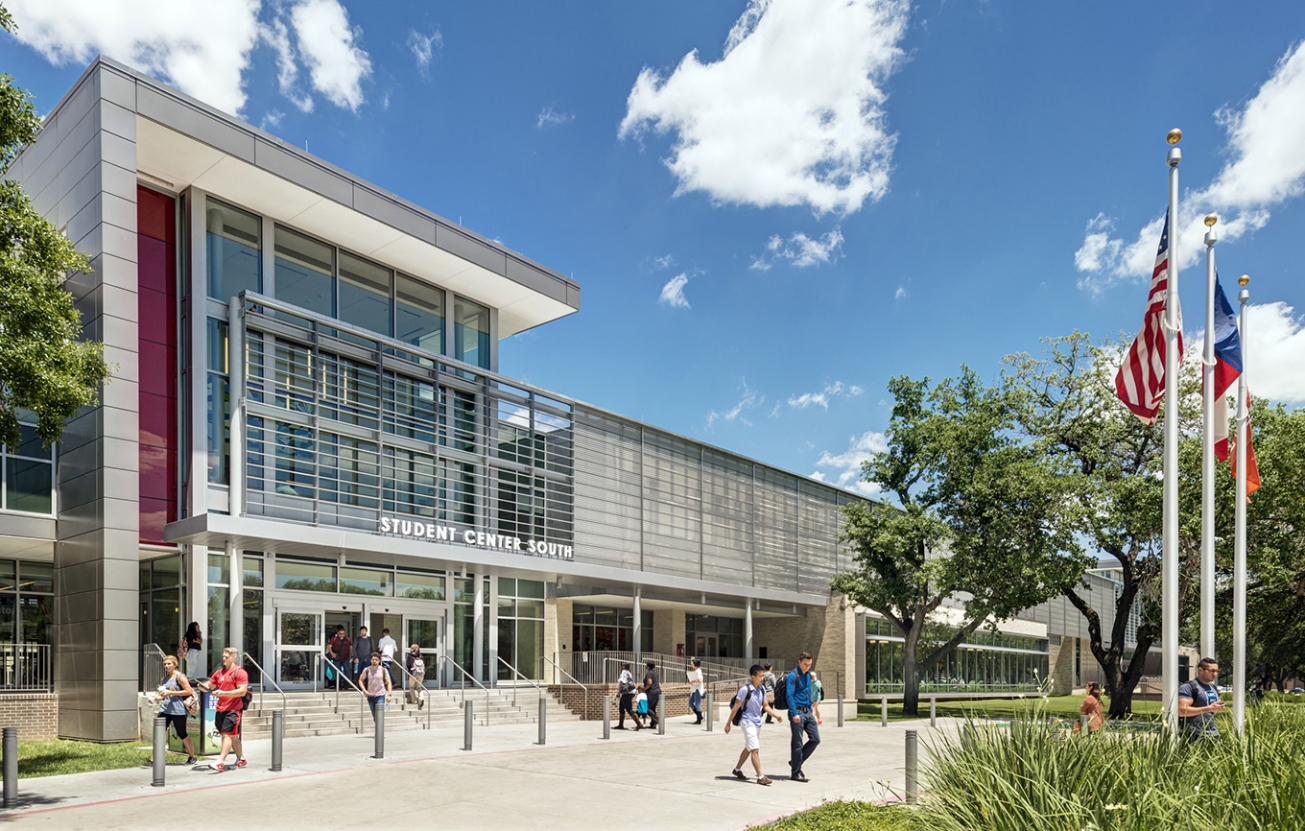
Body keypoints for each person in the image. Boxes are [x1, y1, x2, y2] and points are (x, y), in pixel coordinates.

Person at [724, 663, 784, 786]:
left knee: (749, 747)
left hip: (757, 722)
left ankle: (737, 770)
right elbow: (735, 709)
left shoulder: (762, 689)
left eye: (763, 676)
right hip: (746, 721)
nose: (762, 678)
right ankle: (761, 777)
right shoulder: (744, 690)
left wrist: (776, 715)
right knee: (755, 749)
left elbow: (766, 706)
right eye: (760, 676)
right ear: (753, 676)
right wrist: (728, 723)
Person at [204, 646, 248, 772]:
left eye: (226, 657)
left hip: (234, 709)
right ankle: (241, 759)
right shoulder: (219, 672)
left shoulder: (239, 672)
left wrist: (222, 693)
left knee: (228, 735)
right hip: (220, 709)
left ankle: (220, 761)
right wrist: (202, 687)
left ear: (234, 658)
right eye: (223, 656)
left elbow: (242, 691)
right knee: (233, 736)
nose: (223, 659)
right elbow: (210, 685)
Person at [786, 651, 820, 782]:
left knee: (816, 739)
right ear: (799, 662)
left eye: (809, 664)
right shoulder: (792, 676)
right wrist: (794, 713)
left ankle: (796, 762)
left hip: (807, 711)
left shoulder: (807, 676)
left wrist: (812, 708)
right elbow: (789, 695)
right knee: (797, 742)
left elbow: (807, 691)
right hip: (797, 712)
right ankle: (796, 772)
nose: (807, 667)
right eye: (805, 664)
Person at [156, 655, 196, 765]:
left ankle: (192, 756)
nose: (166, 666)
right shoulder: (165, 678)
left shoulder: (180, 677)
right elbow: (163, 695)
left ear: (175, 664)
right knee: (159, 731)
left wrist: (172, 693)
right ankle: (156, 758)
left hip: (178, 709)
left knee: (181, 732)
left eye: (169, 663)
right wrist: (156, 698)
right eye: (165, 664)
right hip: (166, 709)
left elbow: (189, 691)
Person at [1178, 657, 1225, 738]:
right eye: (1212, 671)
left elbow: (1208, 703)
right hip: (1194, 734)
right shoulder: (1188, 687)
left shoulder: (1212, 687)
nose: (1215, 674)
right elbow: (1182, 711)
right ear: (1200, 670)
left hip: (1212, 733)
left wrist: (1218, 705)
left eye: (1217, 671)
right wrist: (1209, 708)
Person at [359, 652, 393, 718]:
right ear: (370, 660)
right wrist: (364, 691)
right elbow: (360, 680)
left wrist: (389, 694)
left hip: (380, 695)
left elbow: (389, 682)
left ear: (379, 660)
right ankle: (378, 727)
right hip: (370, 695)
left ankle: (380, 727)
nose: (374, 661)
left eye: (376, 660)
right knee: (374, 715)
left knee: (379, 715)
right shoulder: (367, 670)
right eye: (373, 659)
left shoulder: (383, 670)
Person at [616, 662, 637, 729]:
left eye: (622, 665)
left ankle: (639, 724)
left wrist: (619, 692)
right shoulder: (629, 672)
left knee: (629, 709)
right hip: (629, 692)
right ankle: (620, 725)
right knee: (621, 708)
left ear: (624, 666)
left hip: (627, 693)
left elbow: (622, 682)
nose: (621, 666)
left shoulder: (624, 672)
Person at [405, 643, 426, 709]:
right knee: (419, 688)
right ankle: (421, 698)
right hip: (421, 674)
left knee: (411, 687)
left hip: (413, 674)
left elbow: (408, 665)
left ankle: (413, 700)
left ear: (412, 649)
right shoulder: (421, 656)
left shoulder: (410, 656)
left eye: (411, 648)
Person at [643, 659, 661, 729]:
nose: (645, 666)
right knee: (652, 708)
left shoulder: (649, 673)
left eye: (646, 665)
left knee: (647, 708)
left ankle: (656, 719)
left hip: (652, 692)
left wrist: (644, 689)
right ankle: (653, 724)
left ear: (648, 666)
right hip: (657, 691)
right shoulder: (654, 673)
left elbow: (649, 683)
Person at [687, 657, 704, 724]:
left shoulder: (698, 671)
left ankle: (699, 719)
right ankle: (699, 715)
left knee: (697, 704)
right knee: (690, 703)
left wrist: (693, 682)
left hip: (698, 690)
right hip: (694, 689)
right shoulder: (696, 671)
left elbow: (700, 680)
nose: (691, 664)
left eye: (692, 663)